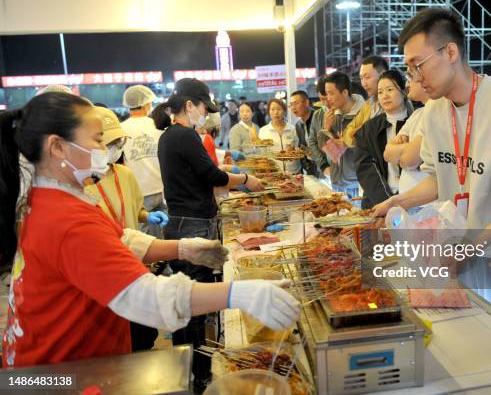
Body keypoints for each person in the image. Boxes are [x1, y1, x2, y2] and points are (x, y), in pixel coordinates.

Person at [0, 92, 300, 372]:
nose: (104, 152)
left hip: (39, 362)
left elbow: (116, 240)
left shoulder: (48, 198)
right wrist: (240, 293)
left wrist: (180, 248)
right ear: (57, 147)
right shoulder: (66, 219)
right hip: (59, 373)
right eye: (96, 141)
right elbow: (145, 297)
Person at [372, 8, 491, 322]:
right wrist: (397, 201)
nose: (413, 78)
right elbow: (442, 178)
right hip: (456, 248)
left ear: (450, 51)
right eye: (409, 68)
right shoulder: (434, 112)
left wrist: (469, 247)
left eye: (418, 66)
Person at [154, 79, 265, 387]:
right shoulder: (184, 136)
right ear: (189, 106)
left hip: (182, 222)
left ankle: (184, 370)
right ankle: (198, 377)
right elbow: (212, 175)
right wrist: (246, 179)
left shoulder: (169, 137)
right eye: (204, 108)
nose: (206, 114)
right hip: (192, 226)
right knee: (195, 305)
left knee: (186, 300)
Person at [84, 106, 168, 352]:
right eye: (108, 142)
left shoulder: (125, 174)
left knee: (144, 336)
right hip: (106, 272)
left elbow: (135, 209)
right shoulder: (83, 183)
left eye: (118, 142)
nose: (114, 148)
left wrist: (148, 216)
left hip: (134, 265)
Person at [354, 70, 411, 209]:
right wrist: (386, 202)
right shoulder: (368, 129)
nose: (384, 96)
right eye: (380, 92)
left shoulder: (416, 121)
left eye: (390, 90)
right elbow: (365, 167)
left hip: (412, 200)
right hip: (378, 202)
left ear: (403, 91)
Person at [121, 85, 166, 238]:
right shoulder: (157, 126)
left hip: (138, 191)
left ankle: (148, 262)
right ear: (147, 104)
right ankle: (167, 260)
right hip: (161, 187)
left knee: (143, 235)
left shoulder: (121, 129)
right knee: (165, 231)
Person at [318, 71, 365, 199]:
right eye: (326, 93)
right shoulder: (332, 115)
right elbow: (323, 147)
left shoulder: (364, 114)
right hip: (336, 181)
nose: (328, 98)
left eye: (331, 93)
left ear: (344, 92)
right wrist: (326, 128)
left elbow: (368, 149)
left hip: (357, 184)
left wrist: (349, 142)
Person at [384, 78, 430, 194]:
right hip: (408, 199)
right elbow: (387, 153)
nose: (407, 84)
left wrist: (403, 153)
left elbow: (408, 161)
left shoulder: (437, 115)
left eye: (410, 79)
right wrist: (410, 148)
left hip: (428, 202)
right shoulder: (417, 114)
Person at [342, 56, 389, 148]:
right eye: (361, 78)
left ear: (383, 75)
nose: (364, 83)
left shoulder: (393, 103)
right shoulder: (369, 104)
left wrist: (357, 133)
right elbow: (347, 133)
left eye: (367, 77)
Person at [259, 99, 301, 174]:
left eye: (279, 109)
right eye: (273, 109)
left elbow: (298, 148)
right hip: (274, 173)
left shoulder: (292, 129)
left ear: (284, 111)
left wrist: (295, 150)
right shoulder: (263, 131)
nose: (276, 112)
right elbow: (262, 154)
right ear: (269, 112)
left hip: (294, 172)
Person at [289, 90, 318, 176]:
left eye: (296, 103)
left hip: (325, 166)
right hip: (311, 168)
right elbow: (304, 147)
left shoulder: (318, 118)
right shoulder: (298, 125)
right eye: (291, 105)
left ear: (306, 102)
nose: (293, 107)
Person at [308, 76, 330, 179]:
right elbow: (312, 142)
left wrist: (327, 130)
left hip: (346, 174)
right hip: (324, 172)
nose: (325, 103)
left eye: (327, 98)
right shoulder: (317, 115)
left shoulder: (343, 113)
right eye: (321, 99)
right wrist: (323, 165)